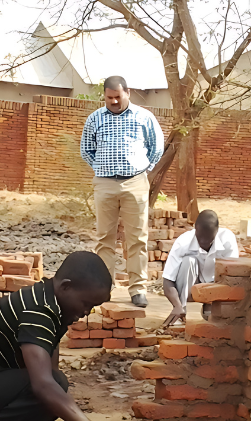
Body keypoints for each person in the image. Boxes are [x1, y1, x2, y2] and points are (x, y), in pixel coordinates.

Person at [0, 251, 144, 421]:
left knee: (57, 390)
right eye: (85, 304)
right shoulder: (38, 310)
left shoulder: (50, 302)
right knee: (50, 389)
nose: (85, 313)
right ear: (65, 287)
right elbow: (44, 385)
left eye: (92, 308)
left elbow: (52, 374)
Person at [80, 75, 164, 309]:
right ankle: (104, 287)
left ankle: (138, 289)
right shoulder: (95, 118)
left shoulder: (144, 117)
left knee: (137, 238)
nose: (114, 101)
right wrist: (102, 168)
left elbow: (156, 147)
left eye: (118, 96)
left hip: (135, 182)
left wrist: (143, 169)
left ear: (127, 92)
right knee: (104, 238)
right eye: (110, 98)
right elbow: (86, 149)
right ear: (104, 96)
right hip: (105, 183)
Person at [161, 210, 239, 327]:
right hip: (190, 288)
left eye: (208, 239)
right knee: (188, 261)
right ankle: (181, 311)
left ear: (217, 231)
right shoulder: (183, 242)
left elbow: (232, 275)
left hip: (215, 287)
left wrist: (214, 299)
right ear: (195, 229)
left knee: (227, 269)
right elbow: (168, 280)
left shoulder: (227, 239)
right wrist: (177, 305)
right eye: (200, 237)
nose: (203, 242)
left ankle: (211, 308)